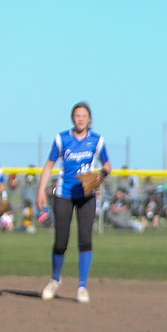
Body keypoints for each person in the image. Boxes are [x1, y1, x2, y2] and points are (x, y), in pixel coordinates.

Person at [37, 101, 112, 304]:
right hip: (64, 193)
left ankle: (82, 286)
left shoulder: (97, 140)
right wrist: (41, 191)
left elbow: (107, 165)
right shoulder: (62, 139)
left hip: (86, 195)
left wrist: (101, 174)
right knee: (61, 241)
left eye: (84, 115)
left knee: (85, 240)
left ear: (89, 119)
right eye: (77, 115)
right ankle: (55, 279)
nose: (80, 118)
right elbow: (49, 165)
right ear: (73, 118)